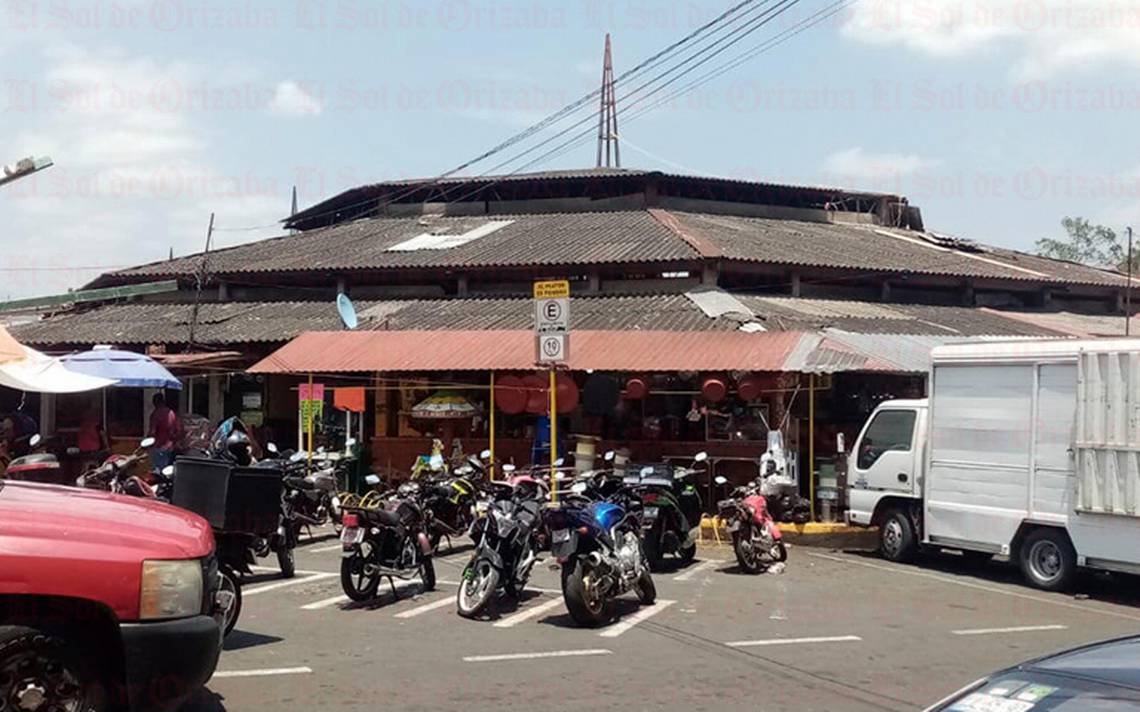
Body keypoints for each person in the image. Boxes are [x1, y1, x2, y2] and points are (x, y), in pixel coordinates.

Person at [148, 393, 179, 471]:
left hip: (159, 446)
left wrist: (148, 441)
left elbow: (152, 432)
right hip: (170, 447)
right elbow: (177, 429)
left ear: (155, 402)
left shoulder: (156, 414)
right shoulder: (171, 413)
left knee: (158, 472)